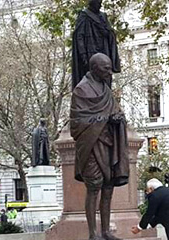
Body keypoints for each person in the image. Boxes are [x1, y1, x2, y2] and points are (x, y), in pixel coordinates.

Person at [70, 53, 128, 240]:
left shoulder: (106, 90)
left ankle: (105, 231)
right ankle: (93, 233)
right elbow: (77, 124)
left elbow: (115, 111)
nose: (110, 73)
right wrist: (105, 119)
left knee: (108, 187)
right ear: (95, 68)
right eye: (106, 69)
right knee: (94, 186)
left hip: (108, 144)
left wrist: (118, 118)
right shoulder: (81, 90)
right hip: (91, 146)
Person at [71, 0, 120, 90]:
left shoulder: (103, 16)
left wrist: (107, 32)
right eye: (98, 2)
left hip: (104, 51)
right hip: (90, 53)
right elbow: (79, 37)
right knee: (91, 83)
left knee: (106, 79)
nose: (100, 5)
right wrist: (83, 55)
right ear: (92, 2)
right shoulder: (84, 15)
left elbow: (109, 33)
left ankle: (106, 98)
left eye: (100, 2)